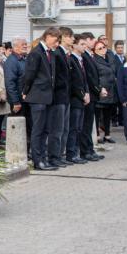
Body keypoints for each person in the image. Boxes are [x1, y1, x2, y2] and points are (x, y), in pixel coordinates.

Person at [22, 27, 60, 171]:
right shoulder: (36, 53)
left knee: (45, 129)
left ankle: (43, 158)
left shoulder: (50, 53)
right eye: (55, 41)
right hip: (37, 96)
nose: (56, 44)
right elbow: (29, 74)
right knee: (38, 129)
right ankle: (38, 160)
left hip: (47, 96)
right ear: (48, 36)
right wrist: (25, 91)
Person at [47, 27, 73, 168]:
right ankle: (54, 156)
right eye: (70, 36)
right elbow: (56, 77)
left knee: (64, 129)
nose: (72, 39)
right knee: (57, 130)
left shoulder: (63, 53)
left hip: (65, 96)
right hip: (58, 97)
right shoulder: (57, 53)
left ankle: (59, 155)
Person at [66, 34, 89, 164]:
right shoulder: (72, 59)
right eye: (82, 44)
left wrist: (87, 93)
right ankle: (71, 153)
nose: (85, 47)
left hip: (81, 97)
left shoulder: (80, 59)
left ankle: (76, 152)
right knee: (73, 127)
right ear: (74, 45)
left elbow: (83, 80)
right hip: (75, 98)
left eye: (86, 44)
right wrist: (82, 94)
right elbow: (74, 81)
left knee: (79, 127)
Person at [80, 32, 104, 161]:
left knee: (89, 124)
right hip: (89, 94)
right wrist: (97, 89)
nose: (94, 42)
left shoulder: (90, 55)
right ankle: (85, 151)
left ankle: (89, 149)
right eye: (92, 40)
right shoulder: (84, 56)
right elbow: (88, 77)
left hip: (93, 94)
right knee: (86, 124)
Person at [5, 37, 30, 155]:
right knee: (19, 128)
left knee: (29, 126)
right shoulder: (11, 61)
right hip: (18, 101)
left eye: (26, 44)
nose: (25, 46)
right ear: (15, 47)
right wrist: (15, 102)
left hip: (27, 99)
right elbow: (10, 83)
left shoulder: (24, 59)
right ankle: (18, 153)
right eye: (22, 44)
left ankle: (27, 151)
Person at [93, 39, 117, 144]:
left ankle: (107, 135)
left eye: (104, 47)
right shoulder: (94, 60)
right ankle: (98, 136)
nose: (103, 50)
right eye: (100, 48)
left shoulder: (109, 57)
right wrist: (100, 88)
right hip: (102, 90)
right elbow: (95, 76)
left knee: (108, 114)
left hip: (111, 90)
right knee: (98, 115)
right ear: (95, 50)